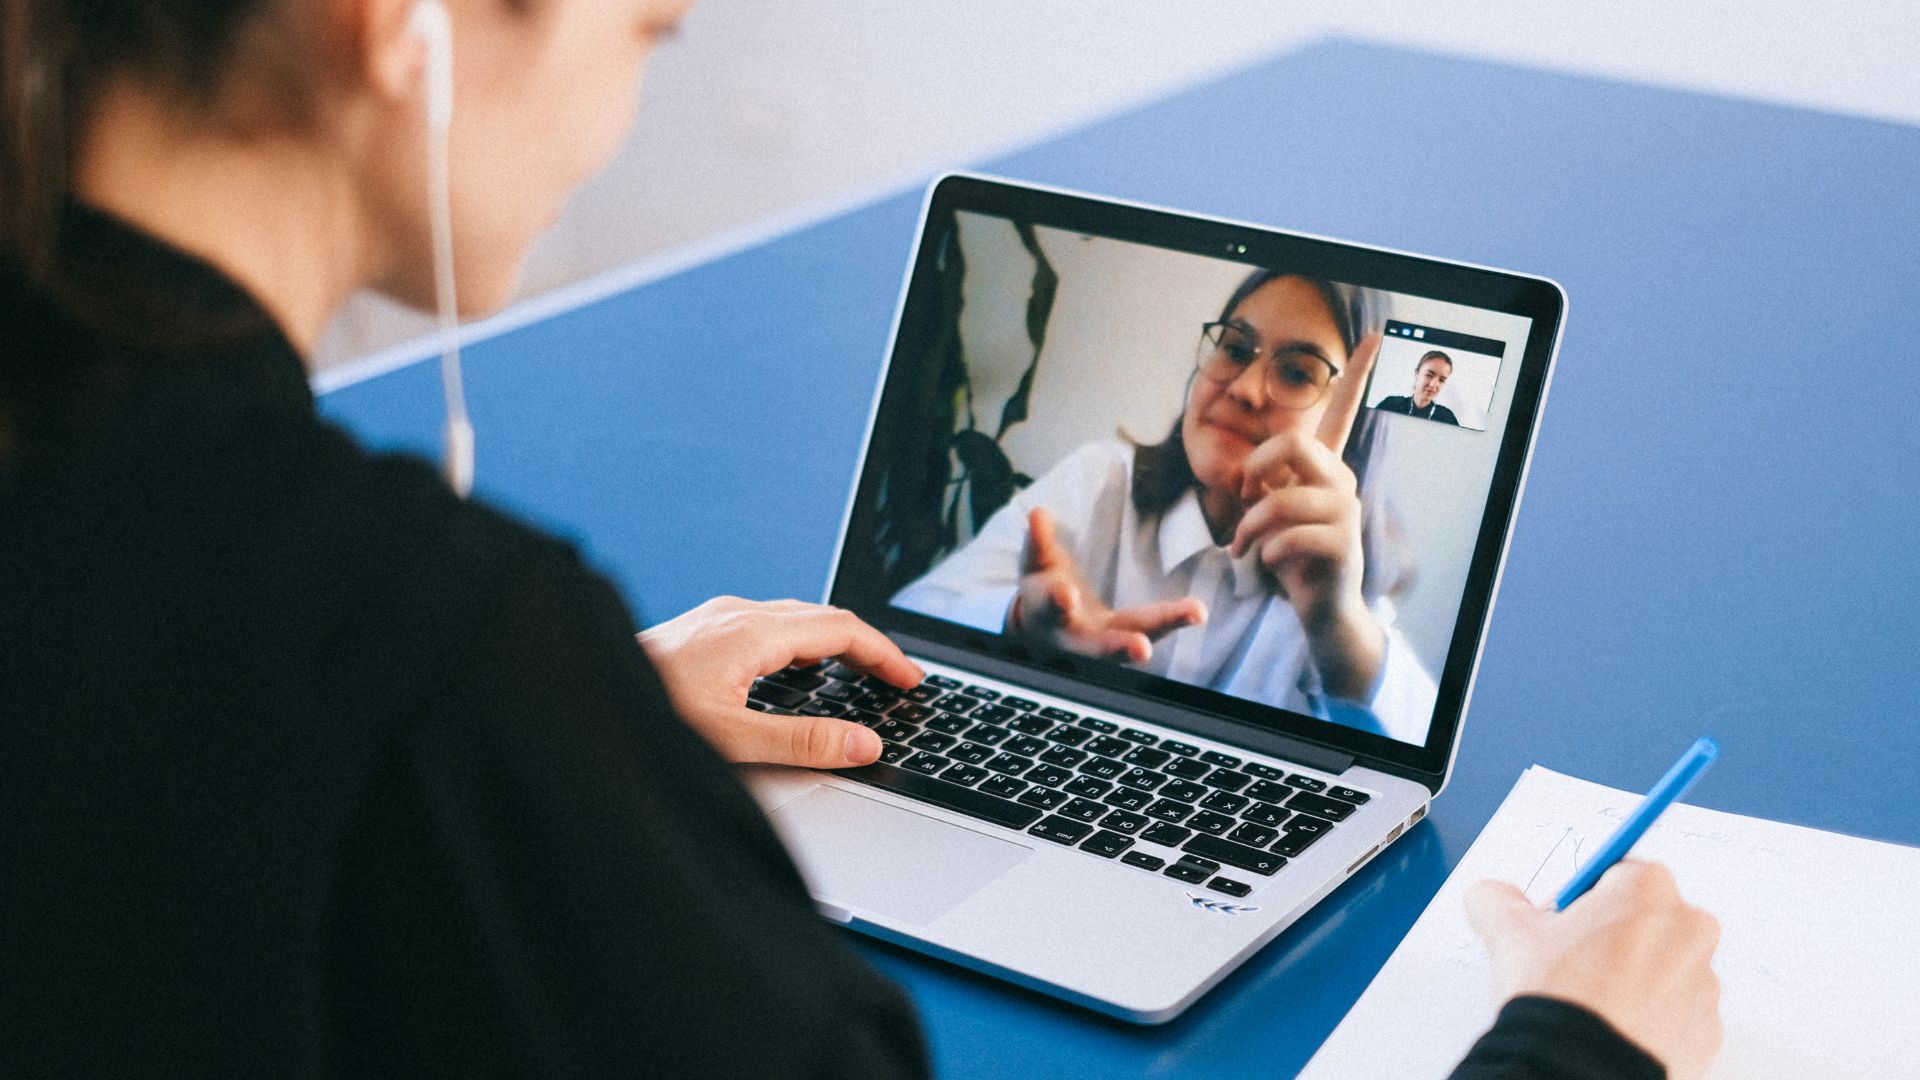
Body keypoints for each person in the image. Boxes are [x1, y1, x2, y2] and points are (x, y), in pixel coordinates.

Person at [0, 2, 1721, 1078]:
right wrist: (1572, 1051)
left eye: (1300, 367)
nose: (622, 115)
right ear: (401, 26)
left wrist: (582, 735)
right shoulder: (447, 650)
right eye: (648, 32)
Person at [895, 269, 1439, 742]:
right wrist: (1019, 621)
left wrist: (1337, 622)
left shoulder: (1338, 585)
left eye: (1297, 372)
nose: (1246, 388)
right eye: (1234, 348)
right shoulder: (1101, 480)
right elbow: (912, 614)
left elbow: (1415, 760)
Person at [1376, 348, 1462, 424]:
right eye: (1429, 375)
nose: (1433, 385)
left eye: (1441, 380)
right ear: (1417, 374)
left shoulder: (1447, 418)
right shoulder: (1390, 405)